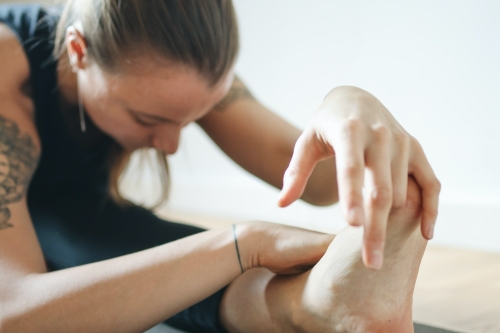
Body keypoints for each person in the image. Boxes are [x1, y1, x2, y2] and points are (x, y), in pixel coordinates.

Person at [0, 1, 439, 332]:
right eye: (147, 120)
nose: (170, 146)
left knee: (143, 251)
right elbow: (11, 310)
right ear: (79, 51)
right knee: (195, 255)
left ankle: (318, 305)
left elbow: (318, 181)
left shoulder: (177, 72)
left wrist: (347, 104)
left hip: (79, 212)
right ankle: (311, 308)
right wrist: (245, 243)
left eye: (189, 120)